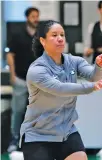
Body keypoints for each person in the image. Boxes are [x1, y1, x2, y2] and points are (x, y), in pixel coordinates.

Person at [19, 20, 102, 160]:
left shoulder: (73, 61)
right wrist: (91, 87)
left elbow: (94, 76)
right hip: (38, 135)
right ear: (43, 41)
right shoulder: (37, 70)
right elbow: (60, 88)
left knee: (80, 157)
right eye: (54, 35)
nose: (60, 38)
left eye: (62, 35)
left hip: (66, 131)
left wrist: (100, 66)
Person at [6, 7, 40, 152]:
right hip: (20, 78)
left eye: (37, 16)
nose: (36, 19)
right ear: (27, 18)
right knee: (18, 111)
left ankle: (34, 141)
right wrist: (12, 75)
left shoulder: (41, 36)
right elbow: (10, 55)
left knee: (37, 111)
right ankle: (14, 140)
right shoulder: (17, 34)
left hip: (37, 80)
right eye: (33, 16)